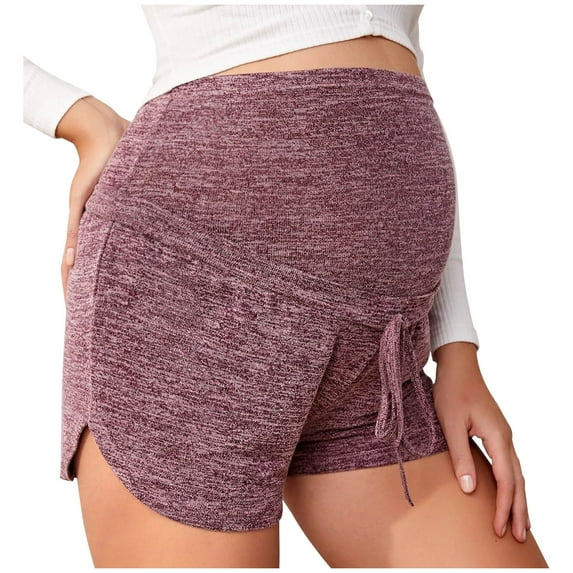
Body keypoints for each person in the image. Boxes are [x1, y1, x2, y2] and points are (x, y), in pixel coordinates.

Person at [23, 4, 548, 568]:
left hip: (379, 357)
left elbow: (402, 57)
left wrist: (456, 345)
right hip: (197, 300)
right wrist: (77, 116)